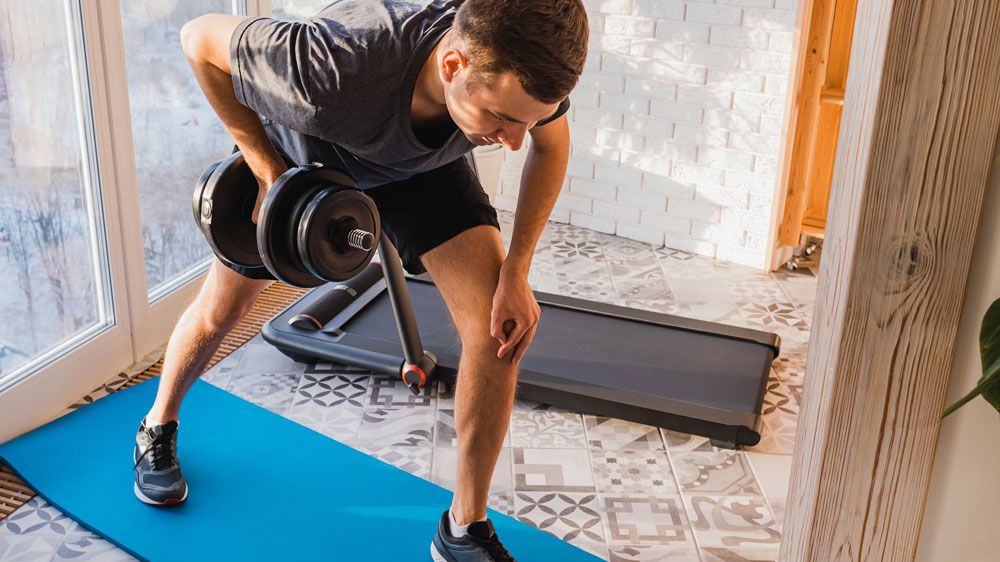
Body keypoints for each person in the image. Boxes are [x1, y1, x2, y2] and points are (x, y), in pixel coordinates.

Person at [132, 1, 588, 559]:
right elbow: (197, 39)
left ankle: (463, 528)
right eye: (501, 119)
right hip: (309, 154)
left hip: (423, 168)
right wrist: (266, 170)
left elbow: (551, 144)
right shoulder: (329, 69)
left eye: (526, 119)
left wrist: (516, 272)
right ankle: (157, 424)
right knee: (218, 312)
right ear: (452, 65)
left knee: (499, 329)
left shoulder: (524, 58)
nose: (514, 140)